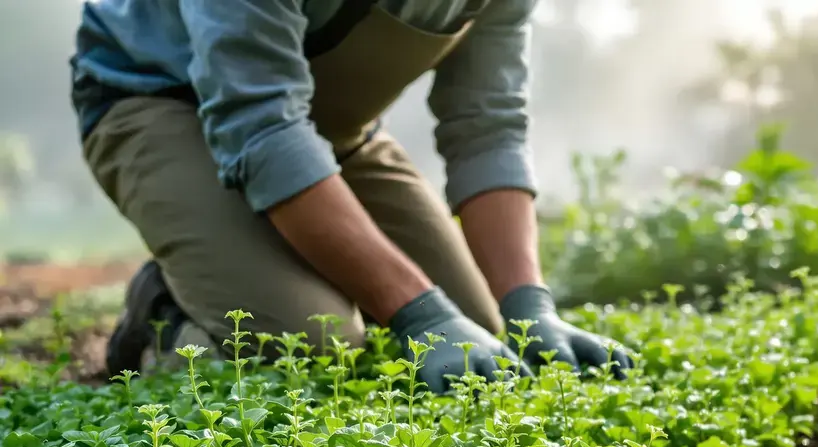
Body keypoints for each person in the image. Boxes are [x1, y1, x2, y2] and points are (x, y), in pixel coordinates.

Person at [68, 0, 632, 393]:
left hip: (329, 126)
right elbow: (260, 125)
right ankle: (166, 310)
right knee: (313, 340)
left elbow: (488, 127)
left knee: (482, 326)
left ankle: (247, 251)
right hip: (156, 102)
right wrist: (419, 314)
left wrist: (530, 309)